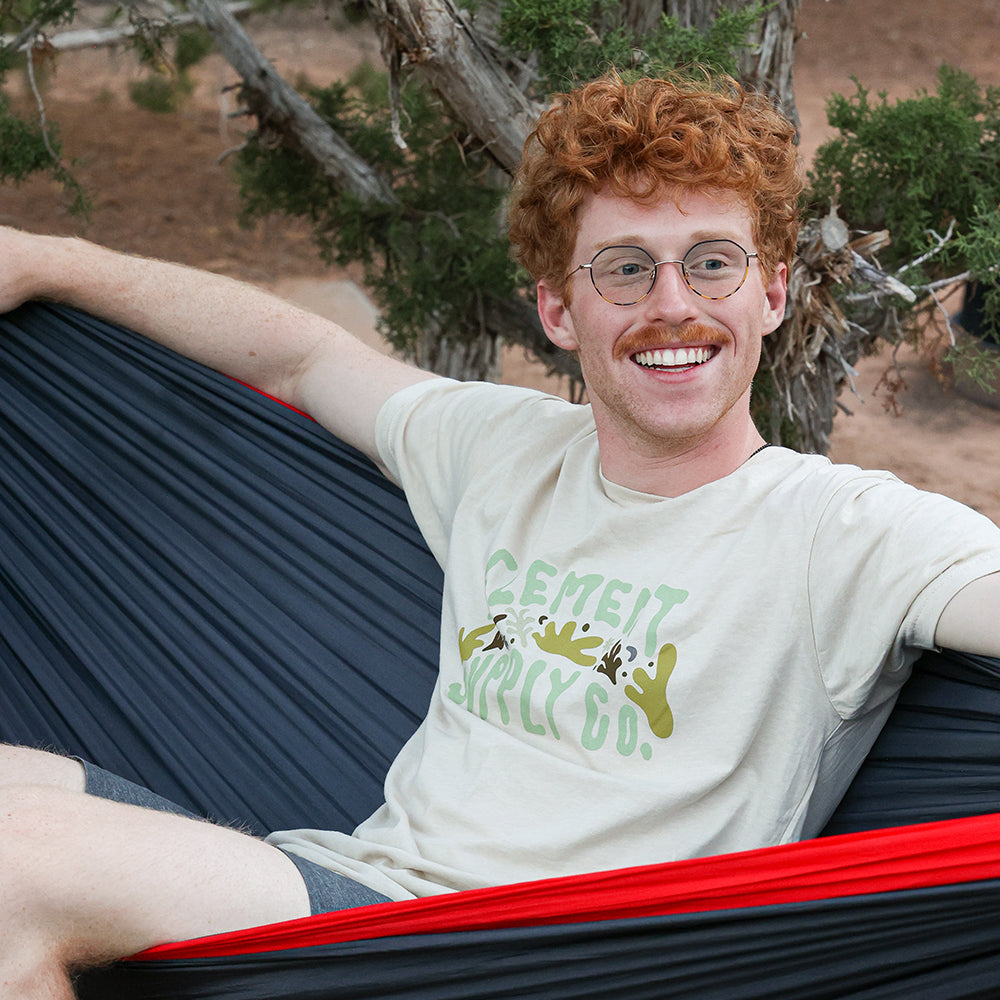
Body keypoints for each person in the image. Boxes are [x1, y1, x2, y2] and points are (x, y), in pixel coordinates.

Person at [1, 70, 1000, 997]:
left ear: (771, 292)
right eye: (622, 269)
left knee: (21, 866)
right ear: (557, 307)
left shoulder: (846, 531)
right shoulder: (501, 450)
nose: (671, 305)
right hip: (349, 901)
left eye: (711, 263)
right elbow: (302, 359)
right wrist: (56, 261)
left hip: (511, 959)